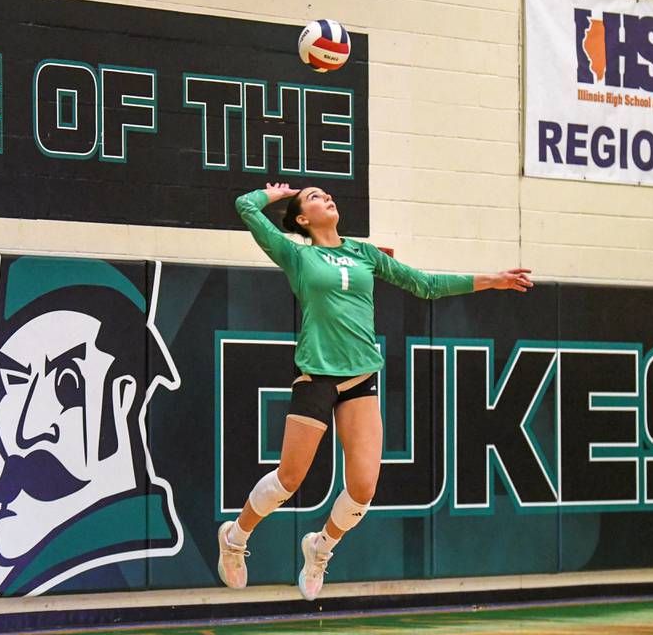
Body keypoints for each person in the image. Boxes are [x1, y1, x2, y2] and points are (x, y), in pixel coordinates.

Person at [217, 182, 533, 600]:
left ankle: (320, 546)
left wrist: (490, 280)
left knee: (364, 487)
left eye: (326, 194)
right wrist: (274, 195)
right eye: (313, 197)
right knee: (290, 478)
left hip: (361, 377)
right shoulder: (297, 255)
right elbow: (245, 206)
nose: (325, 197)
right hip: (318, 374)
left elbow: (425, 284)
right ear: (301, 220)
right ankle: (235, 538)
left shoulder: (364, 253)